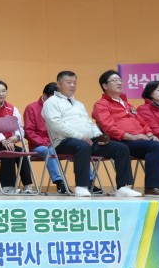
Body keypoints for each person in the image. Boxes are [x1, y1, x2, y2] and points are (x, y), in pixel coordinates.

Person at [92, 69, 159, 198]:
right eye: (114, 80)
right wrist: (133, 137)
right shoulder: (101, 105)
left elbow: (143, 123)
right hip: (123, 141)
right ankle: (152, 187)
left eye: (120, 80)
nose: (119, 83)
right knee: (155, 146)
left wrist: (149, 134)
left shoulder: (127, 104)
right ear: (105, 86)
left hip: (141, 140)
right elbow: (108, 128)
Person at [42, 70, 138, 198]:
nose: (72, 85)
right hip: (63, 142)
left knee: (121, 148)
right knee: (82, 146)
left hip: (88, 140)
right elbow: (56, 125)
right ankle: (82, 186)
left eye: (74, 83)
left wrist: (99, 136)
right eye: (68, 82)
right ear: (59, 84)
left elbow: (89, 123)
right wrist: (80, 136)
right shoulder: (51, 102)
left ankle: (123, 187)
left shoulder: (78, 104)